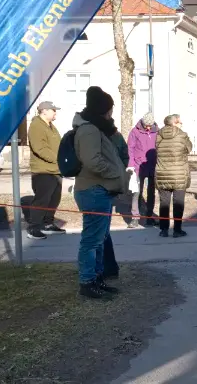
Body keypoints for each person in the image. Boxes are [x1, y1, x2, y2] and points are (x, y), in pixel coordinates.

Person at [72, 86, 126, 299]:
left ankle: (97, 277)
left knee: (100, 238)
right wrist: (114, 172)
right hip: (93, 190)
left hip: (99, 190)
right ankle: (87, 282)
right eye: (110, 109)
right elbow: (92, 161)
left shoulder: (96, 128)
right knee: (92, 240)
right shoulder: (89, 130)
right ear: (103, 109)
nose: (111, 113)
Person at [27, 101, 65, 239]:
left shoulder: (50, 126)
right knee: (42, 200)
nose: (55, 112)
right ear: (44, 111)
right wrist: (58, 159)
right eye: (53, 110)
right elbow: (40, 148)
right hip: (43, 171)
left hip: (55, 170)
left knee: (54, 199)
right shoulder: (36, 126)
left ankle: (47, 224)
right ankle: (34, 227)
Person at [154, 114, 193, 238]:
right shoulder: (182, 135)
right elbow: (189, 149)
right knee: (178, 203)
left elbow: (156, 149)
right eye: (180, 122)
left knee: (164, 202)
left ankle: (164, 230)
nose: (182, 124)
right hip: (179, 174)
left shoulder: (159, 135)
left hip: (162, 172)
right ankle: (177, 230)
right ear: (175, 123)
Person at [127, 113, 159, 227]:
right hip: (138, 166)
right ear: (143, 123)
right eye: (146, 125)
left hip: (152, 165)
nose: (148, 128)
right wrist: (131, 165)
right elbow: (130, 148)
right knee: (136, 192)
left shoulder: (157, 132)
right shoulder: (135, 132)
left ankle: (149, 216)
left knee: (151, 192)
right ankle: (135, 218)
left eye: (150, 125)